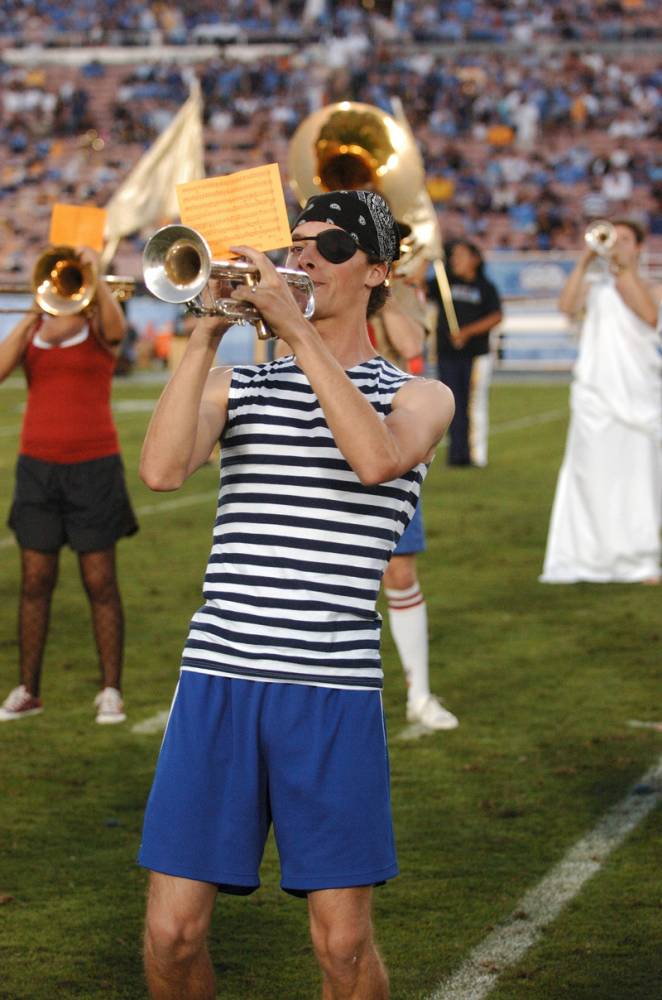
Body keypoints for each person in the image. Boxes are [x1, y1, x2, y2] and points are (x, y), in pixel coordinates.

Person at [137, 190, 454, 1000]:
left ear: (379, 271)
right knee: (171, 937)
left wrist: (298, 330)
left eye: (332, 246)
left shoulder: (415, 394)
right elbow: (162, 470)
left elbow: (375, 462)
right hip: (218, 677)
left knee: (342, 949)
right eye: (298, 243)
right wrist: (207, 332)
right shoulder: (243, 386)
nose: (304, 257)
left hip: (329, 689)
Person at [0, 246, 137, 724]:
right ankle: (28, 690)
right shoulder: (34, 330)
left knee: (100, 581)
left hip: (94, 467)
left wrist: (93, 277)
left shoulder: (99, 325)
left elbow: (118, 330)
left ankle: (111, 690)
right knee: (35, 582)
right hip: (37, 468)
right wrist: (33, 315)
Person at [540, 220, 662, 584]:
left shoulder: (651, 286)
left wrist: (623, 268)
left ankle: (639, 557)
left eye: (626, 239)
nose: (618, 245)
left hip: (638, 394)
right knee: (591, 474)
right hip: (596, 395)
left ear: (640, 246)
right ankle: (586, 556)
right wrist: (584, 262)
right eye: (614, 239)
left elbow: (648, 314)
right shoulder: (594, 288)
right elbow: (566, 306)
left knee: (636, 477)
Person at [369, 274, 459, 730]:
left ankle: (419, 694)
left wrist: (377, 294)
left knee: (400, 569)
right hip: (321, 435)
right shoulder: (309, 286)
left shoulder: (399, 291)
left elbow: (409, 345)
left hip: (388, 433)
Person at [428, 239, 502, 467]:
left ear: (475, 259)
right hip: (447, 353)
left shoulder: (485, 287)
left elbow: (496, 316)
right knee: (451, 404)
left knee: (473, 402)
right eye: (454, 256)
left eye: (461, 255)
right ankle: (456, 453)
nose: (455, 260)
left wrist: (468, 332)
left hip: (475, 354)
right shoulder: (442, 282)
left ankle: (476, 455)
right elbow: (419, 287)